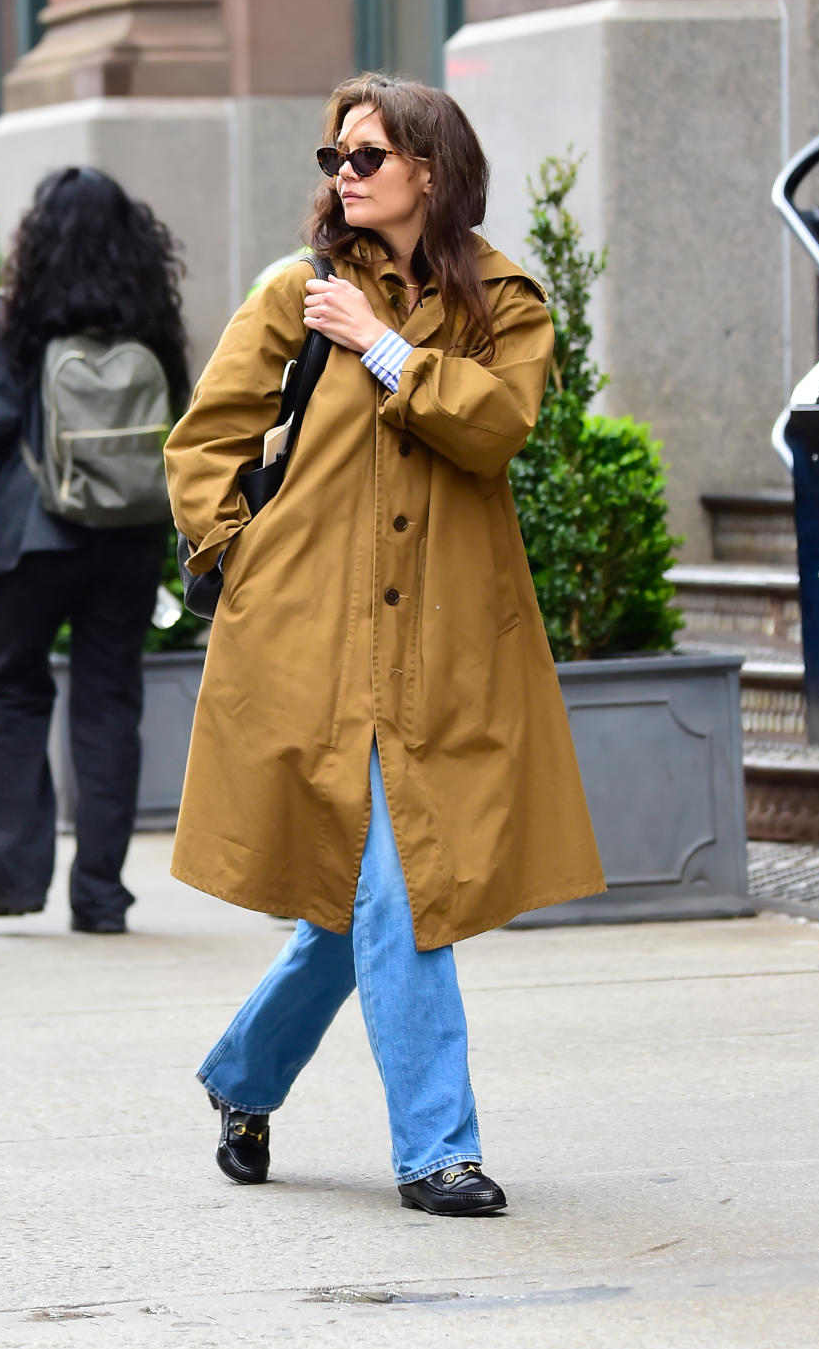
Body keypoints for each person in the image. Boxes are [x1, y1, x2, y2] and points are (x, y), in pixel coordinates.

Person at [164, 73, 605, 1214]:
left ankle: (243, 1076)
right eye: (335, 159)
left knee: (362, 901)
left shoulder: (503, 300)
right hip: (313, 638)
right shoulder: (295, 291)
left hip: (448, 643)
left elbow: (499, 427)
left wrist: (384, 350)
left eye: (366, 156)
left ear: (430, 167)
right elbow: (203, 443)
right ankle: (437, 1149)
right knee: (397, 890)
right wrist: (244, 555)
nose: (344, 175)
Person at [0, 168, 188, 933]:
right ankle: (101, 895)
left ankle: (15, 880)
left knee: (14, 690)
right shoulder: (152, 319)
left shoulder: (7, 317)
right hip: (130, 535)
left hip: (34, 534)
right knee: (109, 702)